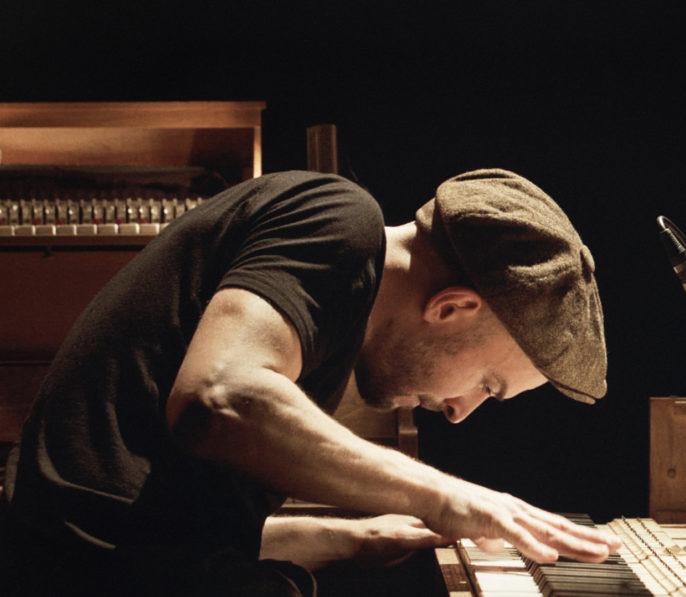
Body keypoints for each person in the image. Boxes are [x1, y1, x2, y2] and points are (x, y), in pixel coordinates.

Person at [0, 168, 619, 595]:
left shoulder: (322, 320)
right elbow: (218, 398)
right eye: (488, 382)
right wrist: (451, 496)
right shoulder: (339, 219)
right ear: (452, 308)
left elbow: (152, 515)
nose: (461, 411)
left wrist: (348, 539)